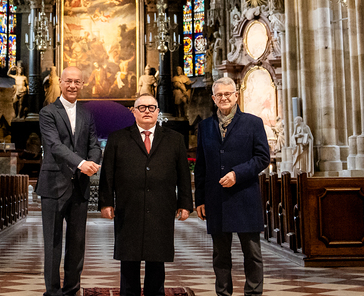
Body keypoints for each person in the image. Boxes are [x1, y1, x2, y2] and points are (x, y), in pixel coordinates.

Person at [99, 95, 192, 296]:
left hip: (161, 207)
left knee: (157, 260)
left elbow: (183, 175)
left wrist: (185, 204)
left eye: (151, 107)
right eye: (141, 108)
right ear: (133, 112)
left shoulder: (175, 139)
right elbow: (107, 173)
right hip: (128, 207)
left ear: (158, 111)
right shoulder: (118, 138)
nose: (147, 111)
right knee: (128, 259)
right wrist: (106, 202)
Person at [195, 77, 270, 296]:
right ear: (213, 98)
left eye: (228, 94)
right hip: (216, 198)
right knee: (220, 255)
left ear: (236, 95)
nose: (224, 98)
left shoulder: (253, 123)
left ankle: (253, 293)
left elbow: (262, 158)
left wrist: (238, 174)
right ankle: (223, 293)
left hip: (245, 195)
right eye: (219, 94)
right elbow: (201, 166)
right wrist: (200, 199)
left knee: (252, 253)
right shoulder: (205, 126)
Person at [38, 66, 102, 296]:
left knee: (76, 243)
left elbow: (94, 145)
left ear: (82, 84)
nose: (73, 86)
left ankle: (72, 290)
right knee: (52, 243)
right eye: (68, 81)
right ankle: (53, 292)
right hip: (54, 184)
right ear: (61, 83)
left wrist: (93, 162)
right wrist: (81, 163)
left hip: (79, 186)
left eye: (77, 82)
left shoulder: (86, 114)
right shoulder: (48, 112)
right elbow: (55, 146)